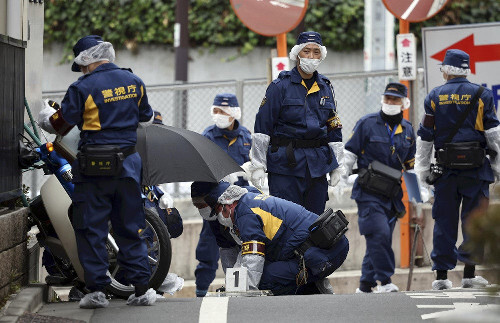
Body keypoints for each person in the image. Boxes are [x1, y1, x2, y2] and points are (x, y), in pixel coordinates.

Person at [39, 35, 157, 308]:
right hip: (128, 165)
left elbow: (59, 125)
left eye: (81, 65)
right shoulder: (134, 82)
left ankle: (97, 292)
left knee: (91, 228)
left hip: (94, 169)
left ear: (87, 61)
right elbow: (147, 118)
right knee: (131, 225)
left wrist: (46, 114)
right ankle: (141, 289)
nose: (81, 70)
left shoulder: (83, 87)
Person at [415, 49, 499, 290]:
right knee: (475, 220)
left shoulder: (434, 96)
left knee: (444, 220)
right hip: (476, 169)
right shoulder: (482, 94)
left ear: (446, 70)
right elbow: (494, 135)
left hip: (445, 169)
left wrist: (422, 169)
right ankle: (470, 276)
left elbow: (425, 137)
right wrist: (498, 167)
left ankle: (441, 278)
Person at [243, 31, 344, 216]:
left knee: (315, 222)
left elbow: (333, 127)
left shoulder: (326, 87)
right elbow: (262, 127)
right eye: (307, 51)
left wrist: (338, 166)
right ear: (297, 54)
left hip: (317, 166)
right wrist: (257, 165)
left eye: (316, 52)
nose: (311, 57)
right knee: (286, 220)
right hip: (285, 167)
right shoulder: (280, 86)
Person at [203, 181, 349, 296]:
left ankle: (305, 293)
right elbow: (246, 251)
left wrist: (243, 292)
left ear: (226, 204)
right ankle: (310, 288)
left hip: (324, 256)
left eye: (217, 212)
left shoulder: (245, 214)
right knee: (263, 271)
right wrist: (233, 286)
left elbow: (253, 257)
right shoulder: (248, 201)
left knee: (264, 280)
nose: (220, 218)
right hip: (326, 249)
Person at [343, 83, 416, 293]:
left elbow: (411, 165)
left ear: (404, 103)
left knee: (377, 239)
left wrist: (418, 192)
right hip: (368, 192)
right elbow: (350, 153)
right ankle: (385, 281)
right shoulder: (367, 123)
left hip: (392, 194)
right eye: (387, 99)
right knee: (380, 234)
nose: (390, 103)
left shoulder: (408, 130)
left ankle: (365, 285)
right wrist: (343, 176)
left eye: (395, 100)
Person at [194, 94, 252, 296]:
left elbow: (255, 167)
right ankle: (201, 291)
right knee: (207, 250)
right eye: (216, 111)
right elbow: (200, 168)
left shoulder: (246, 137)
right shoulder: (207, 136)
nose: (218, 115)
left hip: (239, 208)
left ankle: (240, 289)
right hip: (214, 204)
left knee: (242, 248)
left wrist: (249, 173)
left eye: (223, 111)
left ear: (234, 113)